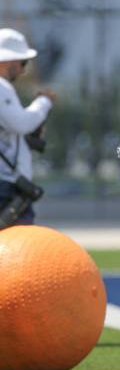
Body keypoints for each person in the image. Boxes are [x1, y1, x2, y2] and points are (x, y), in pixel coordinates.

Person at [0, 28, 56, 226]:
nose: (24, 69)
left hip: (6, 185)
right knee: (18, 250)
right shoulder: (1, 87)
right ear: (7, 61)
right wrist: (44, 102)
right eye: (22, 62)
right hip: (5, 187)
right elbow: (22, 123)